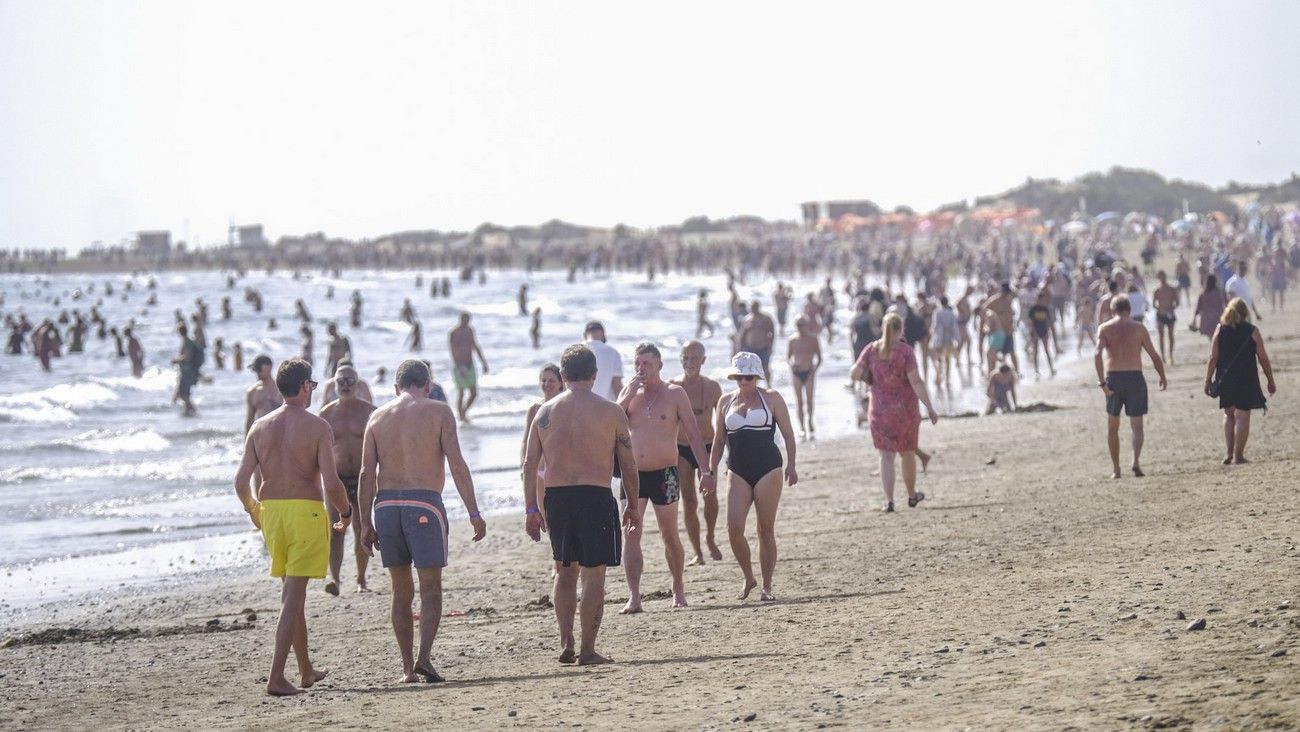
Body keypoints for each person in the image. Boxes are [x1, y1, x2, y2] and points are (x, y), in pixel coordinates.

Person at [357, 359, 487, 683]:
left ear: (396, 387)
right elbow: (457, 464)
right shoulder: (439, 412)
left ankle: (406, 669)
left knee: (400, 591)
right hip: (423, 505)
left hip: (385, 506)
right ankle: (424, 658)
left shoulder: (376, 416)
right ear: (427, 385)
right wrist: (474, 512)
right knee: (431, 590)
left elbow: (364, 475)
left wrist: (364, 523)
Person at [232, 358, 352, 696]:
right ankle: (276, 678)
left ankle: (305, 670)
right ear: (303, 387)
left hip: (271, 512)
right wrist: (345, 511)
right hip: (305, 513)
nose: (312, 390)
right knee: (292, 598)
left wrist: (254, 511)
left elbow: (241, 481)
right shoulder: (317, 427)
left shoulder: (259, 427)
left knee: (292, 595)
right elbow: (331, 482)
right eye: (311, 385)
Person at [521, 344, 639, 665]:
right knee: (593, 575)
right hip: (596, 496)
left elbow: (530, 465)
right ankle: (587, 649)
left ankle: (566, 641)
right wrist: (632, 503)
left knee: (564, 571)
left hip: (557, 498)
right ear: (595, 375)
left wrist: (531, 508)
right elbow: (628, 464)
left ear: (562, 376)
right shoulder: (611, 412)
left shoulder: (544, 414)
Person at [616, 343, 711, 612]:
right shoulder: (629, 393)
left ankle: (678, 587)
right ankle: (634, 596)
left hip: (665, 474)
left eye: (646, 363)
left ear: (659, 365)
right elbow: (611, 423)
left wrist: (705, 472)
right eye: (637, 363)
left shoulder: (674, 393)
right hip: (633, 475)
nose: (641, 369)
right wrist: (627, 395)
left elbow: (693, 433)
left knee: (669, 534)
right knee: (631, 534)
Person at [706, 351, 798, 601]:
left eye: (748, 376)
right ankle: (749, 577)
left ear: (756, 376)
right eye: (739, 376)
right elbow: (718, 441)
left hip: (768, 467)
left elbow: (788, 434)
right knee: (733, 528)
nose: (743, 381)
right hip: (737, 469)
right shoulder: (725, 401)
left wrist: (792, 465)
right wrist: (710, 472)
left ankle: (767, 586)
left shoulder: (772, 398)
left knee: (765, 528)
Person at [850, 313, 940, 512]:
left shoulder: (871, 350)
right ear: (900, 330)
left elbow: (854, 372)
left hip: (880, 411)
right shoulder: (905, 352)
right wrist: (930, 407)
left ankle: (889, 501)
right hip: (905, 411)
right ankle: (911, 495)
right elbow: (916, 381)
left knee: (886, 457)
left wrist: (871, 378)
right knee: (907, 454)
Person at [1094, 295, 1168, 479]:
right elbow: (1154, 355)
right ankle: (1135, 461)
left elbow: (1097, 354)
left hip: (1114, 378)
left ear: (1113, 311)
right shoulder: (1139, 328)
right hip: (1135, 377)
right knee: (1137, 426)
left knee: (1113, 426)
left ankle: (1116, 469)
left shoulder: (1105, 328)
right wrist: (1162, 376)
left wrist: (1102, 382)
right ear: (1128, 309)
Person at [320, 365, 377, 594]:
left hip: (363, 477)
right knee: (336, 529)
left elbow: (382, 447)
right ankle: (335, 579)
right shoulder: (326, 414)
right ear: (333, 385)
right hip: (337, 479)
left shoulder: (371, 412)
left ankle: (361, 580)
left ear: (359, 384)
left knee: (362, 527)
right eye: (340, 381)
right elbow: (317, 451)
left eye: (350, 381)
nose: (345, 386)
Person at [669, 341, 724, 566]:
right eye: (685, 357)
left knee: (709, 497)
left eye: (694, 358)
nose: (689, 362)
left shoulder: (712, 387)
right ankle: (697, 551)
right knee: (689, 501)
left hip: (708, 446)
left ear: (703, 360)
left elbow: (722, 425)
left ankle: (710, 537)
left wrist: (728, 451)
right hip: (681, 448)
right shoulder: (672, 386)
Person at [1204, 298, 1276, 465]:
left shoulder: (1220, 329)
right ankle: (1238, 456)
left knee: (1228, 414)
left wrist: (1208, 380)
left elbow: (1213, 357)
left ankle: (1228, 452)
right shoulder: (1252, 330)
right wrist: (1270, 380)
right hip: (1246, 378)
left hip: (1226, 378)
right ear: (1245, 313)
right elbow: (1263, 358)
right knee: (1243, 416)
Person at [520, 363, 565, 514]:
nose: (547, 384)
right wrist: (523, 466)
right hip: (539, 471)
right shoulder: (534, 409)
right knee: (545, 517)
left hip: (562, 470)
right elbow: (526, 440)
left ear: (561, 383)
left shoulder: (566, 407)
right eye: (543, 380)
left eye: (551, 380)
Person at [786, 316, 822, 439]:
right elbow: (788, 357)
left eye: (802, 324)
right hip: (797, 372)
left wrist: (814, 370)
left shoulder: (813, 339)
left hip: (809, 372)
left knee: (809, 400)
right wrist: (791, 366)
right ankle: (801, 427)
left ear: (807, 325)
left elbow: (819, 358)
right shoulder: (792, 340)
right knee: (799, 401)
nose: (800, 327)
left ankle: (810, 421)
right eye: (798, 325)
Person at [448, 312, 489, 421]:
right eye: (464, 320)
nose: (466, 322)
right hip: (458, 366)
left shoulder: (470, 330)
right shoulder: (453, 332)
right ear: (460, 319)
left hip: (470, 364)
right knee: (461, 392)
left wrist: (483, 363)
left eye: (468, 320)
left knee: (474, 393)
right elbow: (453, 351)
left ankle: (464, 412)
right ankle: (461, 416)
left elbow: (475, 346)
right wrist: (459, 366)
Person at [583, 321, 624, 401]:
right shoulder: (612, 353)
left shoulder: (574, 351)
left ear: (585, 335)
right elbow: (617, 386)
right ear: (603, 334)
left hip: (578, 407)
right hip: (605, 408)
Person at [737, 300, 776, 382]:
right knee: (751, 369)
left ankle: (769, 385)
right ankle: (755, 386)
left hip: (763, 347)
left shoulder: (766, 318)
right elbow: (742, 334)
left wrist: (771, 346)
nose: (754, 309)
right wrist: (740, 347)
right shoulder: (747, 319)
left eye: (755, 307)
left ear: (759, 307)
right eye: (752, 307)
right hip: (750, 348)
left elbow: (772, 332)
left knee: (765, 367)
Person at [172, 323, 203, 416]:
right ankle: (188, 412)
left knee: (184, 394)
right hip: (187, 371)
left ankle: (192, 411)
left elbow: (187, 357)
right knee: (184, 394)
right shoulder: (188, 341)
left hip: (187, 371)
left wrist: (176, 360)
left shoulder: (187, 342)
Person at [929, 295, 960, 387]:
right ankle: (947, 378)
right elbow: (955, 327)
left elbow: (935, 326)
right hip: (949, 337)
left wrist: (933, 333)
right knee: (947, 358)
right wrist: (957, 338)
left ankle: (939, 375)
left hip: (939, 337)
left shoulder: (937, 312)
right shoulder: (951, 313)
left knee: (938, 358)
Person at [1152, 271, 1180, 365]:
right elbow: (1154, 304)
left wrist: (1171, 308)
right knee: (1161, 336)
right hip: (1161, 314)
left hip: (1170, 314)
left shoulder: (1171, 289)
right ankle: (1163, 356)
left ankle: (1171, 355)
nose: (1162, 279)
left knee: (1171, 335)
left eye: (1163, 276)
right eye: (1160, 277)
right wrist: (1160, 308)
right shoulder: (1157, 290)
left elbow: (1177, 301)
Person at [1027, 290, 1055, 377]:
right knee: (1036, 351)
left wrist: (1048, 331)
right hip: (1035, 331)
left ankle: (1051, 368)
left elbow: (1047, 321)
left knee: (1047, 350)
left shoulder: (1045, 309)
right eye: (1040, 299)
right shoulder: (1033, 309)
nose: (1041, 301)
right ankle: (1036, 371)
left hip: (1044, 331)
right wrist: (1033, 333)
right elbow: (1031, 323)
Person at [1191, 274, 1227, 338]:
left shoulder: (1203, 294)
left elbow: (1198, 308)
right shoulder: (1220, 292)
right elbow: (1227, 303)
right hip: (1218, 318)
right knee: (1218, 338)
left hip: (1207, 320)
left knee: (1212, 339)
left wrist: (1194, 319)